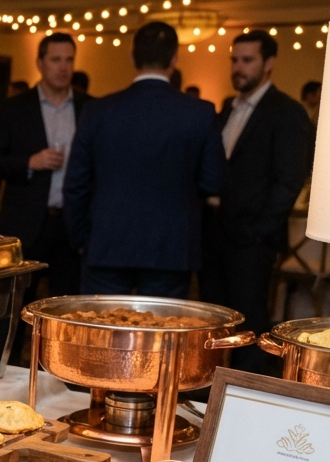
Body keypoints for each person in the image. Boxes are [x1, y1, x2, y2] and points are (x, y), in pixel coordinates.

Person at [64, 22, 224, 298]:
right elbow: (214, 180)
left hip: (107, 243)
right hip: (170, 247)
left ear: (132, 57)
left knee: (104, 333)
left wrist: (81, 239)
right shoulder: (200, 113)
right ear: (174, 58)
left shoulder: (98, 111)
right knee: (163, 334)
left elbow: (76, 183)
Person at [199, 30, 312, 371]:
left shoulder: (287, 112)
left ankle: (246, 397)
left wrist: (261, 231)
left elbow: (289, 179)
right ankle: (209, 396)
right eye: (234, 59)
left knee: (250, 323)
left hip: (252, 240)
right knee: (214, 320)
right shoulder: (224, 110)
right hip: (214, 234)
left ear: (269, 64)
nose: (238, 67)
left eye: (247, 60)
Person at [0, 32, 91, 298]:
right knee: (16, 306)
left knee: (68, 308)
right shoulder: (14, 108)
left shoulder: (89, 108)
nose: (64, 67)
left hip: (70, 225)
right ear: (40, 63)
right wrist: (30, 162)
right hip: (26, 224)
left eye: (69, 60)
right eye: (56, 59)